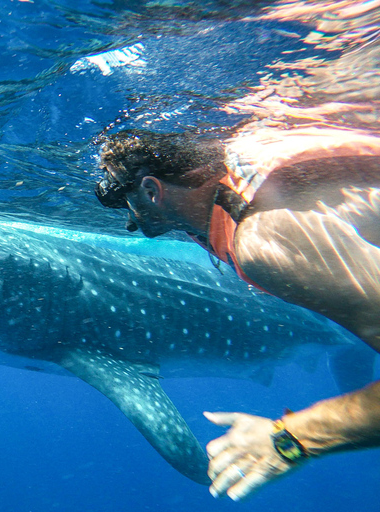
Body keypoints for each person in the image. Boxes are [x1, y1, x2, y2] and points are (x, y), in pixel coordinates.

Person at [94, 125, 380, 500]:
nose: (129, 221)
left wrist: (291, 439)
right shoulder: (233, 178)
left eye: (126, 203)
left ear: (152, 190)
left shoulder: (264, 241)